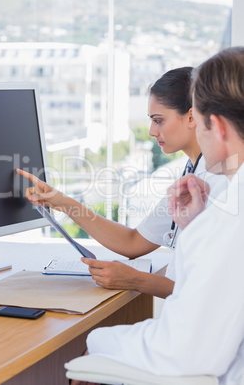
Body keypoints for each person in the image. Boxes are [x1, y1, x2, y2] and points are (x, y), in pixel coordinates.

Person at [71, 47, 244, 385]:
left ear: (217, 127)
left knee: (85, 362)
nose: (152, 131)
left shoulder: (229, 214)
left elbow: (185, 350)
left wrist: (96, 343)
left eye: (158, 119)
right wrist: (194, 227)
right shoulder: (217, 199)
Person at [17, 67, 223, 298]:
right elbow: (133, 242)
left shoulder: (220, 180)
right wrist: (61, 202)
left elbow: (216, 291)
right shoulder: (192, 172)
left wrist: (135, 280)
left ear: (191, 117)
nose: (151, 131)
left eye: (158, 120)